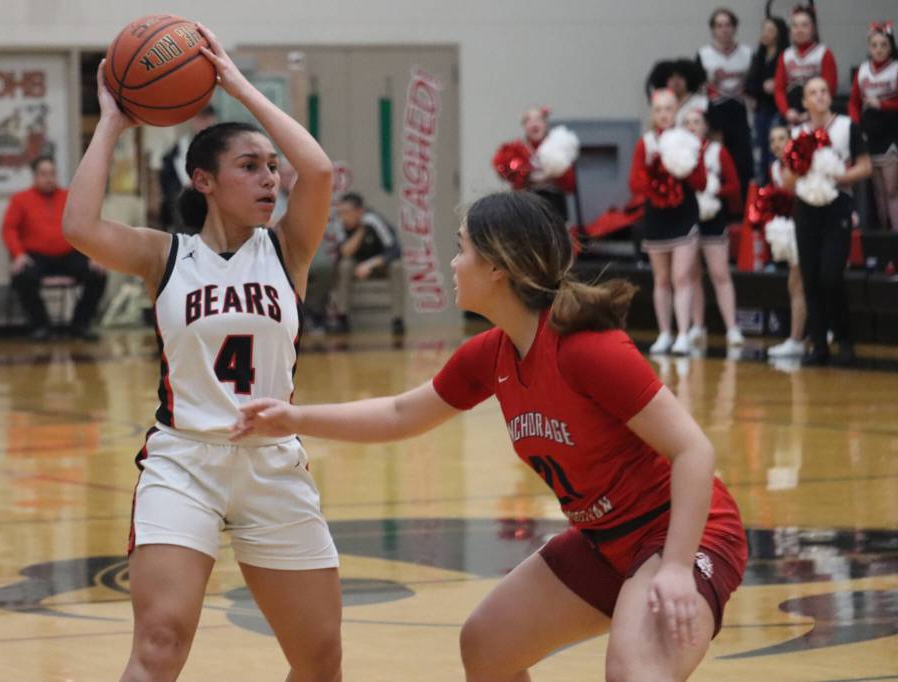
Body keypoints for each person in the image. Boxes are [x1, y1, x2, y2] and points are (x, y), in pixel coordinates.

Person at [233, 191, 748, 682]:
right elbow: (400, 413)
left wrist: (677, 566)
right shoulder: (491, 354)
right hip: (604, 540)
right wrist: (294, 419)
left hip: (681, 533)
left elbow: (694, 450)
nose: (453, 263)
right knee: (487, 644)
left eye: (462, 248)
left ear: (498, 266)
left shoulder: (587, 349)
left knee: (634, 673)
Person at [62, 24, 341, 682]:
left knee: (320, 659)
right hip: (184, 461)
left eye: (271, 166)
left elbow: (319, 170)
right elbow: (79, 226)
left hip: (272, 461)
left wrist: (237, 86)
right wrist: (112, 122)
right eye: (250, 166)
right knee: (160, 643)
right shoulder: (165, 255)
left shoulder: (288, 249)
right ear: (204, 181)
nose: (270, 178)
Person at [781, 77, 872, 367]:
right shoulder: (797, 133)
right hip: (805, 208)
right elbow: (786, 180)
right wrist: (802, 167)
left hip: (837, 206)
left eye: (823, 91)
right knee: (809, 278)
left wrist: (837, 175)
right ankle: (819, 345)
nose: (820, 96)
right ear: (805, 102)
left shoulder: (846, 126)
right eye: (813, 93)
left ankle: (844, 340)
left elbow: (866, 167)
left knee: (831, 276)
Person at [629, 89, 706, 355]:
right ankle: (664, 333)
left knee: (681, 276)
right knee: (661, 279)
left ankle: (683, 334)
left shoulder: (689, 140)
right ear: (653, 113)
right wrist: (656, 175)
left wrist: (680, 170)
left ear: (677, 111)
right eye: (659, 109)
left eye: (669, 109)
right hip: (657, 215)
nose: (664, 114)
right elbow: (634, 183)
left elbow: (701, 182)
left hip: (684, 214)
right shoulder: (646, 143)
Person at [2, 154, 107, 341]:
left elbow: (85, 227)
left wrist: (93, 255)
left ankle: (79, 324)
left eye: (52, 173)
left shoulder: (69, 197)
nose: (49, 178)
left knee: (98, 274)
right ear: (35, 176)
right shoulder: (20, 199)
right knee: (23, 276)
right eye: (44, 174)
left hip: (68, 254)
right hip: (36, 256)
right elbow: (8, 229)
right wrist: (18, 254)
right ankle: (41, 326)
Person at [682, 109, 744, 348]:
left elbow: (734, 185)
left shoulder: (717, 152)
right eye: (687, 122)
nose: (692, 126)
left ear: (705, 126)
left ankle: (732, 328)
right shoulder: (678, 152)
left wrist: (713, 190)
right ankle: (697, 325)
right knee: (692, 274)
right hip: (687, 218)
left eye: (696, 122)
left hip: (713, 217)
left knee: (720, 273)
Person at [329, 192, 405, 336]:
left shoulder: (373, 220)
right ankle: (342, 318)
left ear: (360, 211)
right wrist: (360, 230)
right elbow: (344, 252)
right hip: (356, 265)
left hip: (379, 263)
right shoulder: (339, 223)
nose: (343, 216)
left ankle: (397, 320)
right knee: (344, 265)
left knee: (397, 266)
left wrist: (370, 264)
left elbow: (395, 250)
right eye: (341, 212)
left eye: (347, 212)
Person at [698, 8, 754, 196]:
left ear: (734, 28)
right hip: (715, 115)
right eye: (719, 25)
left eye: (728, 25)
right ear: (713, 30)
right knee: (717, 161)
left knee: (743, 163)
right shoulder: (703, 55)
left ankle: (744, 205)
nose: (724, 30)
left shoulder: (747, 53)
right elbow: (697, 89)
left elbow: (754, 85)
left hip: (741, 114)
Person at [849, 21, 898, 232]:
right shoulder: (863, 70)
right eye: (874, 45)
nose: (879, 49)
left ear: (891, 47)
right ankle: (884, 238)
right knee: (877, 190)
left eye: (883, 45)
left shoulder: (895, 68)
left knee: (892, 189)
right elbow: (853, 102)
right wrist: (856, 126)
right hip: (870, 134)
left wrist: (883, 104)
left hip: (891, 134)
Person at [765, 124, 807, 358]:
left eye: (782, 138)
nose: (777, 144)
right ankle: (800, 337)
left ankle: (799, 338)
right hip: (792, 228)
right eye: (773, 140)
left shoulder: (801, 162)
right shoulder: (774, 168)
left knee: (801, 283)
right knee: (796, 283)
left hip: (810, 226)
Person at [156, 105, 218, 231]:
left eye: (207, 118)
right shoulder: (178, 149)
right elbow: (167, 183)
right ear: (193, 120)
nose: (204, 124)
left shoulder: (221, 148)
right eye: (200, 119)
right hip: (185, 209)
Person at [774, 5, 837, 126]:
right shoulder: (786, 55)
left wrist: (811, 112)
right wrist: (786, 111)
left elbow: (830, 89)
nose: (799, 30)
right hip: (792, 114)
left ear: (813, 29)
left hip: (818, 113)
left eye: (804, 25)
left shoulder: (824, 53)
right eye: (795, 26)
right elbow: (779, 89)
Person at [746, 14, 790, 184]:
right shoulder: (758, 56)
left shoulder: (785, 56)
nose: (765, 34)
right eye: (764, 30)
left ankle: (776, 185)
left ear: (779, 33)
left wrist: (776, 84)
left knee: (776, 149)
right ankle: (762, 187)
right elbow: (749, 85)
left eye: (770, 30)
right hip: (761, 108)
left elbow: (786, 84)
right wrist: (762, 86)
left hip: (777, 109)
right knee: (760, 151)